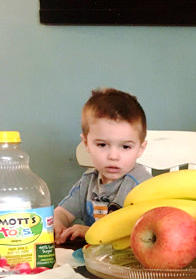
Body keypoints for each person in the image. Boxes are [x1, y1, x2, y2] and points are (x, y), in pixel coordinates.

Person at [54, 88, 151, 244]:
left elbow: (144, 231)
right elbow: (63, 213)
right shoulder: (87, 181)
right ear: (86, 143)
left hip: (126, 261)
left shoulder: (142, 185)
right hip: (90, 258)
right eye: (102, 144)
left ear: (140, 148)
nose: (113, 156)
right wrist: (57, 223)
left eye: (125, 147)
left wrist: (90, 232)